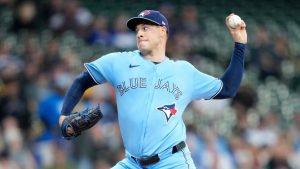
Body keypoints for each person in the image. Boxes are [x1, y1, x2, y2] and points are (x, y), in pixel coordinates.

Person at [59, 10, 247, 169]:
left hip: (172, 162)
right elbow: (81, 82)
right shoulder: (120, 62)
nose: (140, 33)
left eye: (146, 28)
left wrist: (239, 45)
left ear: (162, 32)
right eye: (138, 29)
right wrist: (63, 117)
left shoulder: (183, 71)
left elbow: (228, 89)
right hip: (132, 163)